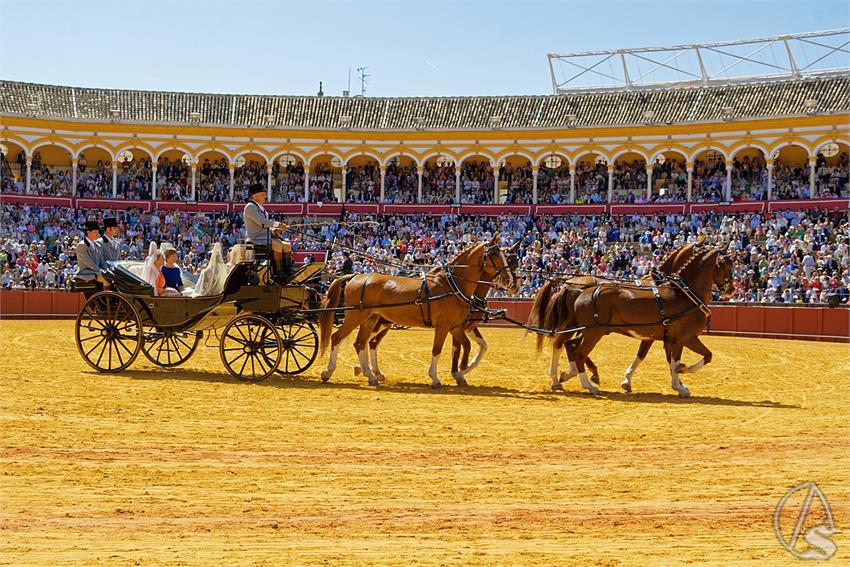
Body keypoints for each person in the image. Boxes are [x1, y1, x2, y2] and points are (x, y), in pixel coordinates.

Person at [243, 183, 292, 281]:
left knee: (287, 245)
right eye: (262, 194)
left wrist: (274, 230)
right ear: (254, 196)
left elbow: (265, 226)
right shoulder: (250, 207)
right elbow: (261, 222)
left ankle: (288, 272)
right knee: (277, 245)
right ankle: (279, 274)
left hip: (265, 236)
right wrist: (277, 224)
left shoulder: (261, 208)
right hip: (256, 238)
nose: (265, 196)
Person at [75, 220, 109, 288]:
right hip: (86, 273)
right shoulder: (81, 245)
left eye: (98, 231)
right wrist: (101, 272)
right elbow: (88, 263)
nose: (98, 234)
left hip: (96, 272)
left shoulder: (98, 245)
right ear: (88, 232)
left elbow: (102, 262)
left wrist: (107, 271)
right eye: (95, 231)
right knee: (106, 281)